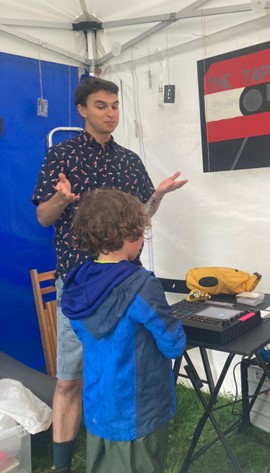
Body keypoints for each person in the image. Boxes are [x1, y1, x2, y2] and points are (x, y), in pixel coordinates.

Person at [32, 77, 187, 473]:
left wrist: (159, 196)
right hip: (79, 283)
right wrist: (60, 199)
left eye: (115, 105)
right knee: (69, 380)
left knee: (120, 372)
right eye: (101, 105)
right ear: (82, 110)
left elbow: (140, 218)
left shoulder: (129, 161)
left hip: (124, 286)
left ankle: (118, 442)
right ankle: (62, 465)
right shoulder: (61, 156)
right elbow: (43, 217)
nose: (111, 113)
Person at [61, 188, 186, 473]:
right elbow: (173, 344)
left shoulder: (78, 282)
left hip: (98, 406)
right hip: (138, 410)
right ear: (130, 235)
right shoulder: (141, 284)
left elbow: (84, 332)